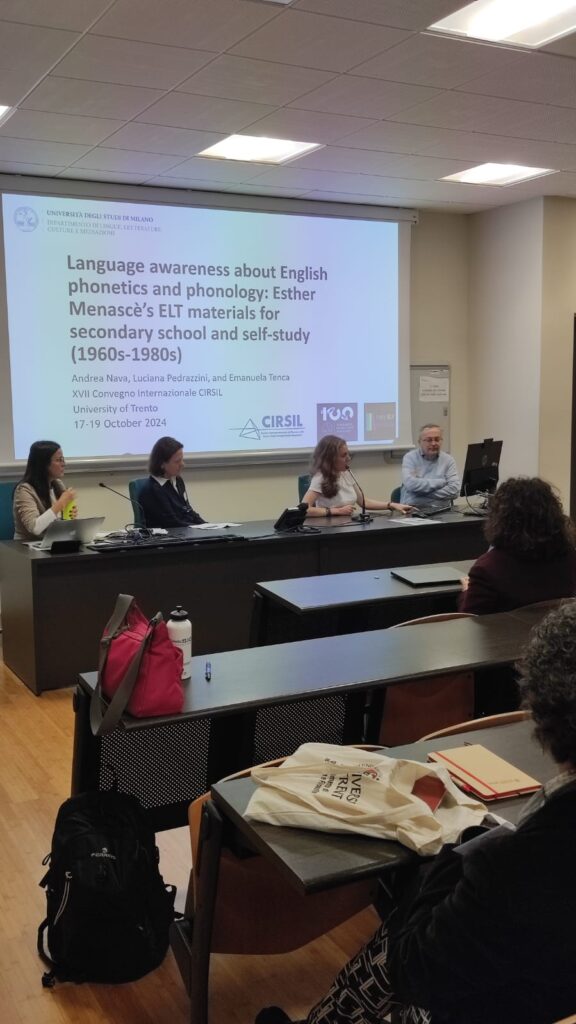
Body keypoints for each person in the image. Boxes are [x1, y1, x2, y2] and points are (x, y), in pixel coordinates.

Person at [256, 599, 576, 1024]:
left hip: (497, 1003)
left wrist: (458, 855)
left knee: (403, 934)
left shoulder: (521, 864)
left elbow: (413, 973)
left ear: (539, 712)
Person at [459, 476, 576, 614]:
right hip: (557, 634)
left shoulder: (487, 569)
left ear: (501, 518)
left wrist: (467, 591)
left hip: (504, 635)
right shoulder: (570, 557)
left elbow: (469, 619)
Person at [302, 435, 412, 518]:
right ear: (331, 458)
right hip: (330, 528)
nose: (348, 458)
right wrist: (335, 511)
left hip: (348, 524)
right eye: (344, 455)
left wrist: (391, 505)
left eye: (348, 454)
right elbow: (304, 510)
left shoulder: (345, 472)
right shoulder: (320, 477)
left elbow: (363, 502)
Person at [13, 440, 76, 541]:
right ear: (43, 464)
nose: (64, 464)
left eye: (63, 459)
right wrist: (61, 503)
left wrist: (68, 518)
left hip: (52, 543)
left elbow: (55, 523)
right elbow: (35, 528)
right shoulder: (24, 490)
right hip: (25, 548)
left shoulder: (57, 484)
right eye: (59, 460)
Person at [138, 436, 205, 528]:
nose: (182, 464)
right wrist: (199, 529)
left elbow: (188, 510)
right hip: (167, 538)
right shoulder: (153, 490)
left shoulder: (178, 481)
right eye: (177, 461)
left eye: (182, 459)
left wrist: (208, 526)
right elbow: (172, 523)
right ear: (162, 464)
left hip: (184, 532)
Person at [400, 424, 460, 508]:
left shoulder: (448, 460)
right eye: (429, 440)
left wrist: (419, 493)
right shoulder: (410, 458)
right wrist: (441, 482)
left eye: (437, 439)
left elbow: (454, 491)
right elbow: (410, 484)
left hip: (442, 512)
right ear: (419, 442)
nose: (434, 443)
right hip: (413, 510)